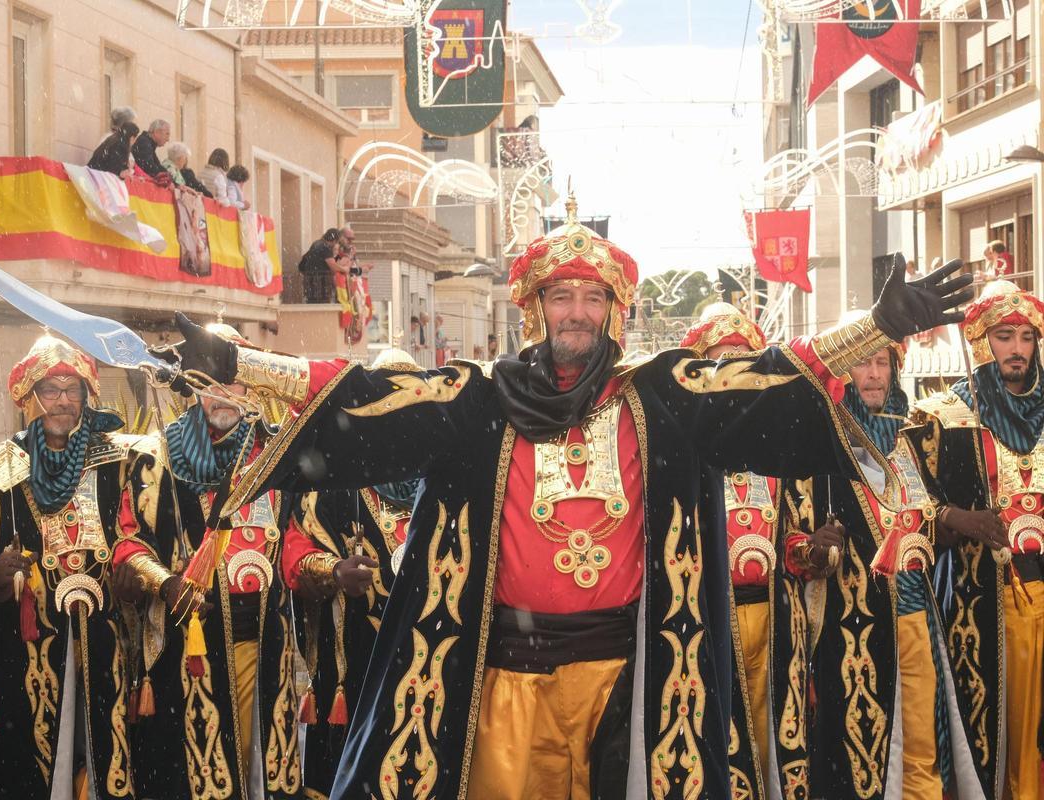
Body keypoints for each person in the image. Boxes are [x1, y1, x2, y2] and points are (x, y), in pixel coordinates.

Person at [157, 194, 972, 798]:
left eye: (592, 297)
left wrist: (876, 327)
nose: (577, 312)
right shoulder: (480, 399)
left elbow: (762, 382)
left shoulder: (660, 397)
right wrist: (236, 365)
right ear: (536, 310)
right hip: (504, 682)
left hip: (633, 682)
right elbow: (370, 398)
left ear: (613, 310)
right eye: (561, 296)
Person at [114, 317, 303, 800]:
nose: (221, 394)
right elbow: (128, 543)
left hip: (266, 640)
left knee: (263, 772)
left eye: (231, 381)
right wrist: (165, 582)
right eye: (209, 383)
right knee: (195, 774)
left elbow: (299, 537)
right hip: (190, 646)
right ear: (194, 389)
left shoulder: (277, 454)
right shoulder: (156, 457)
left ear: (250, 384)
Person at [0, 335, 149, 799]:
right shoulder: (2, 470)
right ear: (30, 396)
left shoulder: (120, 460)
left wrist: (137, 572)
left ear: (87, 395)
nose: (62, 400)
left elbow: (141, 534)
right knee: (30, 756)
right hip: (29, 645)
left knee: (104, 747)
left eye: (73, 389)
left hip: (107, 637)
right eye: (50, 389)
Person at [792, 317, 955, 798]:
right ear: (843, 372)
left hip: (917, 614)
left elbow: (930, 516)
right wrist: (813, 546)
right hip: (853, 625)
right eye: (863, 362)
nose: (874, 374)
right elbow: (794, 537)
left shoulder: (912, 440)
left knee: (922, 748)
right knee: (860, 750)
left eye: (883, 362)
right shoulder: (821, 445)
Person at [679, 303, 823, 798]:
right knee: (722, 742)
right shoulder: (687, 449)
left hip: (777, 619)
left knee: (776, 743)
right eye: (722, 361)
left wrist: (812, 550)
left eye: (744, 361)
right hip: (712, 620)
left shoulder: (780, 447)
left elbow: (795, 539)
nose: (734, 374)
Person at [910, 279, 1044, 799]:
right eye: (1004, 336)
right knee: (987, 735)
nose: (1017, 348)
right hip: (982, 600)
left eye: (1027, 337)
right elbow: (910, 504)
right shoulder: (943, 416)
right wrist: (954, 517)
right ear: (983, 343)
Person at [282, 348, 420, 798]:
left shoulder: (445, 480)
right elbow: (295, 549)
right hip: (356, 655)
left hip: (427, 657)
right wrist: (334, 571)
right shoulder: (337, 480)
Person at [298, 228, 344, 304]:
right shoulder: (325, 247)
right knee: (321, 304)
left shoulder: (316, 243)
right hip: (320, 283)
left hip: (311, 281)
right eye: (337, 242)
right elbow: (333, 266)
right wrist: (345, 269)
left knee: (313, 303)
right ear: (334, 240)